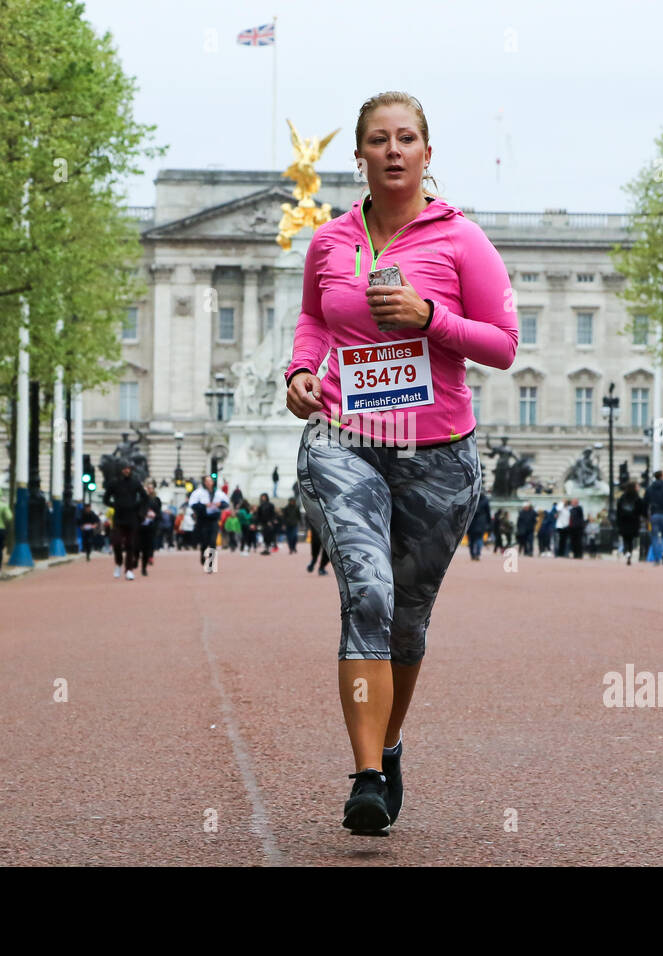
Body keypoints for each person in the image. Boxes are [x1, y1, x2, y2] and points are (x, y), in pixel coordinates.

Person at [284, 91, 517, 836]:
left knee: (408, 622)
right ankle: (366, 777)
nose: (392, 150)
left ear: (425, 153)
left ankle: (388, 742)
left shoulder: (462, 241)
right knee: (369, 593)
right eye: (378, 139)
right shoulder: (328, 241)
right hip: (345, 439)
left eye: (406, 138)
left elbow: (504, 345)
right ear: (358, 155)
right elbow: (316, 319)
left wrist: (430, 320)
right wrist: (300, 372)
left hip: (437, 450)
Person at [104, 463, 146, 580]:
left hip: (131, 518)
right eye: (124, 469)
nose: (127, 471)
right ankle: (118, 563)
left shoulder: (135, 483)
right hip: (118, 517)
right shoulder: (114, 483)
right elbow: (105, 499)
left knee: (130, 545)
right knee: (116, 542)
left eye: (128, 469)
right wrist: (115, 505)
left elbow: (144, 497)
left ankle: (129, 570)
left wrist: (139, 509)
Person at [188, 475, 230, 570]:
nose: (208, 483)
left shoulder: (218, 493)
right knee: (204, 542)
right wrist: (204, 506)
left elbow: (226, 503)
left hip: (214, 520)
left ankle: (210, 564)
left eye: (210, 481)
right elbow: (192, 504)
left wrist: (219, 504)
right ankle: (202, 555)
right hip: (202, 520)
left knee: (212, 542)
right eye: (206, 481)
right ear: (204, 482)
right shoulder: (198, 492)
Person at [644, 470, 663, 566]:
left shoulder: (649, 489)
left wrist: (645, 516)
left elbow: (645, 503)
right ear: (661, 476)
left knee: (654, 537)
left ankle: (657, 559)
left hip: (654, 515)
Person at [614, 482, 644, 566]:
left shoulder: (622, 497)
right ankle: (629, 555)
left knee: (625, 539)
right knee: (630, 540)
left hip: (623, 521)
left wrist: (618, 522)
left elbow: (618, 511)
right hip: (633, 521)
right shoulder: (637, 498)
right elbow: (641, 510)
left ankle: (626, 552)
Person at [138, 481, 163, 572]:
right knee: (141, 542)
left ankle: (150, 556)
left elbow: (159, 512)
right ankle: (143, 554)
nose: (149, 490)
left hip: (152, 524)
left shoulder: (156, 500)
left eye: (151, 488)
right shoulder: (140, 499)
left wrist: (155, 516)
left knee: (151, 542)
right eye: (148, 488)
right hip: (142, 523)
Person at [467, 491, 491, 561]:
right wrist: (489, 522)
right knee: (479, 539)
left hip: (471, 522)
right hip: (481, 523)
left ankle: (472, 554)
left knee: (471, 540)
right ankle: (477, 554)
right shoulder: (485, 500)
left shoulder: (471, 498)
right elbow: (488, 512)